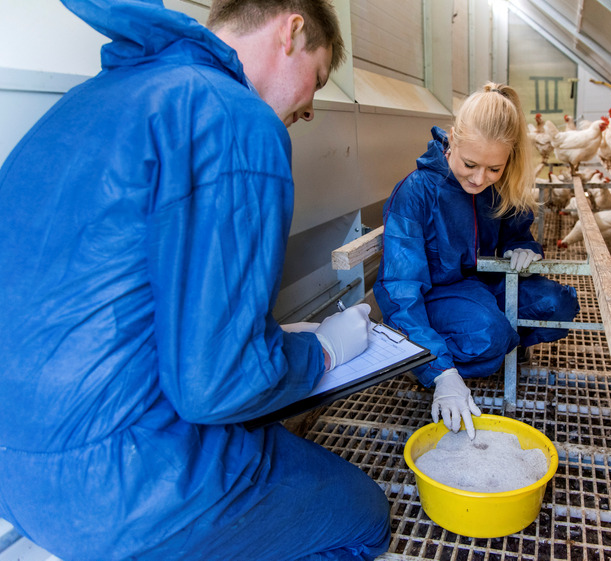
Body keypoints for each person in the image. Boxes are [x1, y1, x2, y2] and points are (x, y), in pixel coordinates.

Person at [0, 1, 391, 560]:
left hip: (17, 477)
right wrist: (322, 353)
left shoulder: (93, 99)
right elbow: (217, 386)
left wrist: (274, 342)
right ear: (292, 30)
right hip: (123, 488)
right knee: (365, 518)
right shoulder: (235, 119)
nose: (308, 108)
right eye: (318, 78)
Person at [373, 83, 580, 439]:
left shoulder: (499, 186)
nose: (479, 178)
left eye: (494, 169)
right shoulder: (418, 192)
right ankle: (424, 358)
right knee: (489, 334)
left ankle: (487, 347)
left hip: (481, 284)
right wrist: (442, 373)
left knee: (555, 304)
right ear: (452, 139)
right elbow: (399, 288)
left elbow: (517, 232)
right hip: (435, 294)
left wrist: (524, 248)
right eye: (470, 164)